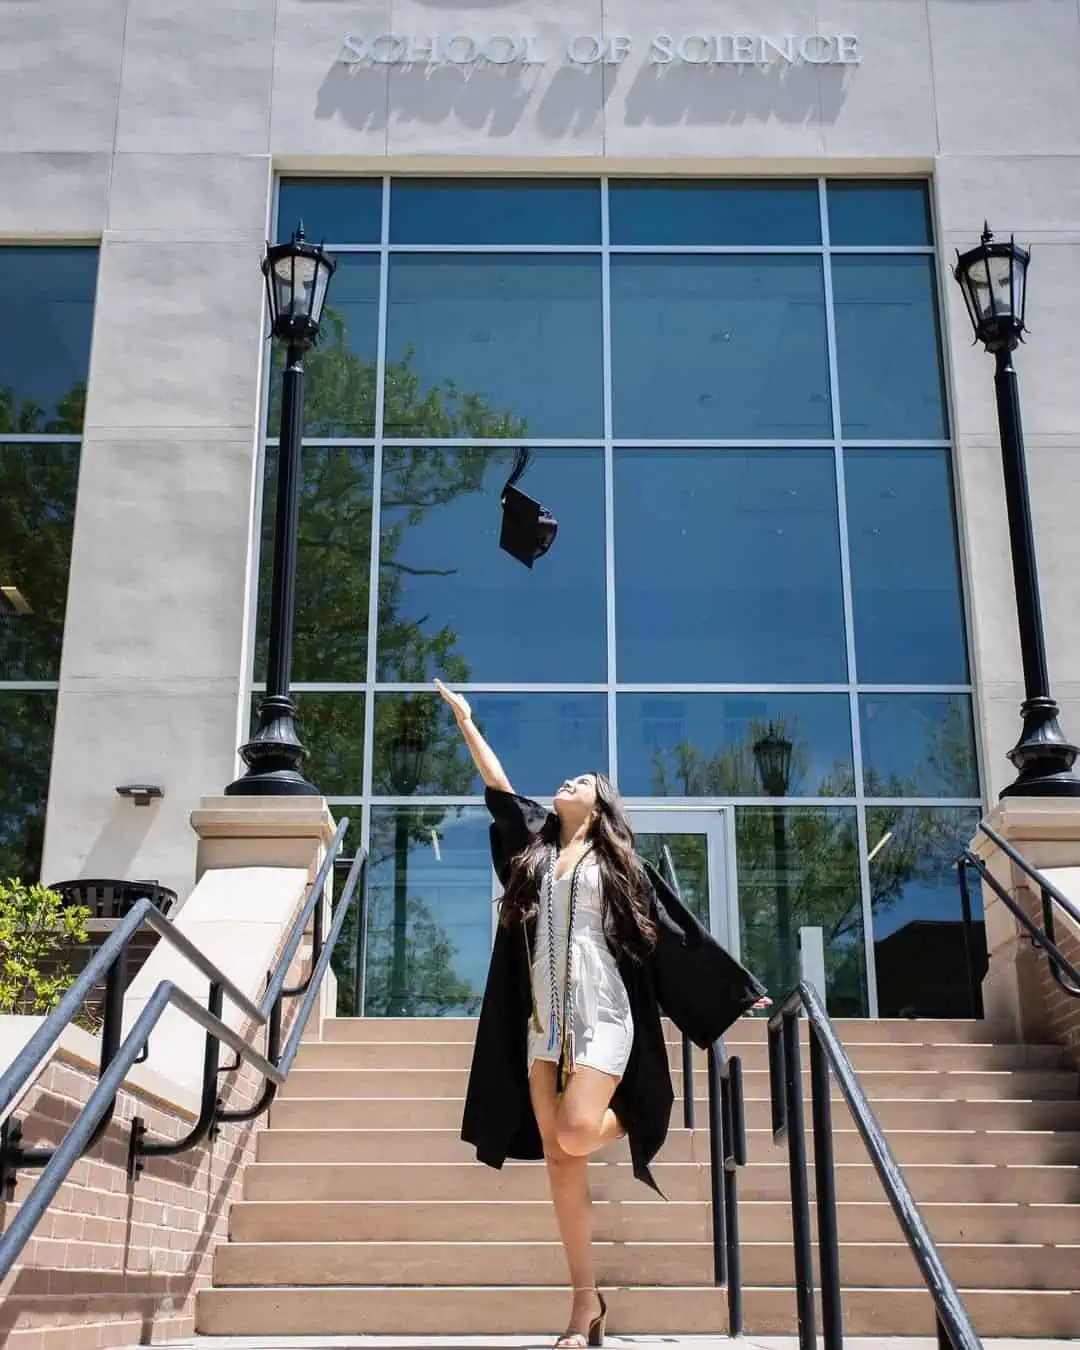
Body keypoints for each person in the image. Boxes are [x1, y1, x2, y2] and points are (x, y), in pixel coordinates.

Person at [434, 679, 769, 1349]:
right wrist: (467, 723)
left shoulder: (619, 865)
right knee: (561, 1160)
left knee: (579, 1132)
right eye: (566, 778)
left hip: (603, 1013)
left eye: (581, 780)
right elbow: (501, 792)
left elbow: (674, 932)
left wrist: (734, 988)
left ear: (601, 802)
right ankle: (584, 1305)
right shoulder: (534, 852)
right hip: (542, 1023)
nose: (567, 782)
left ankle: (644, 1111)